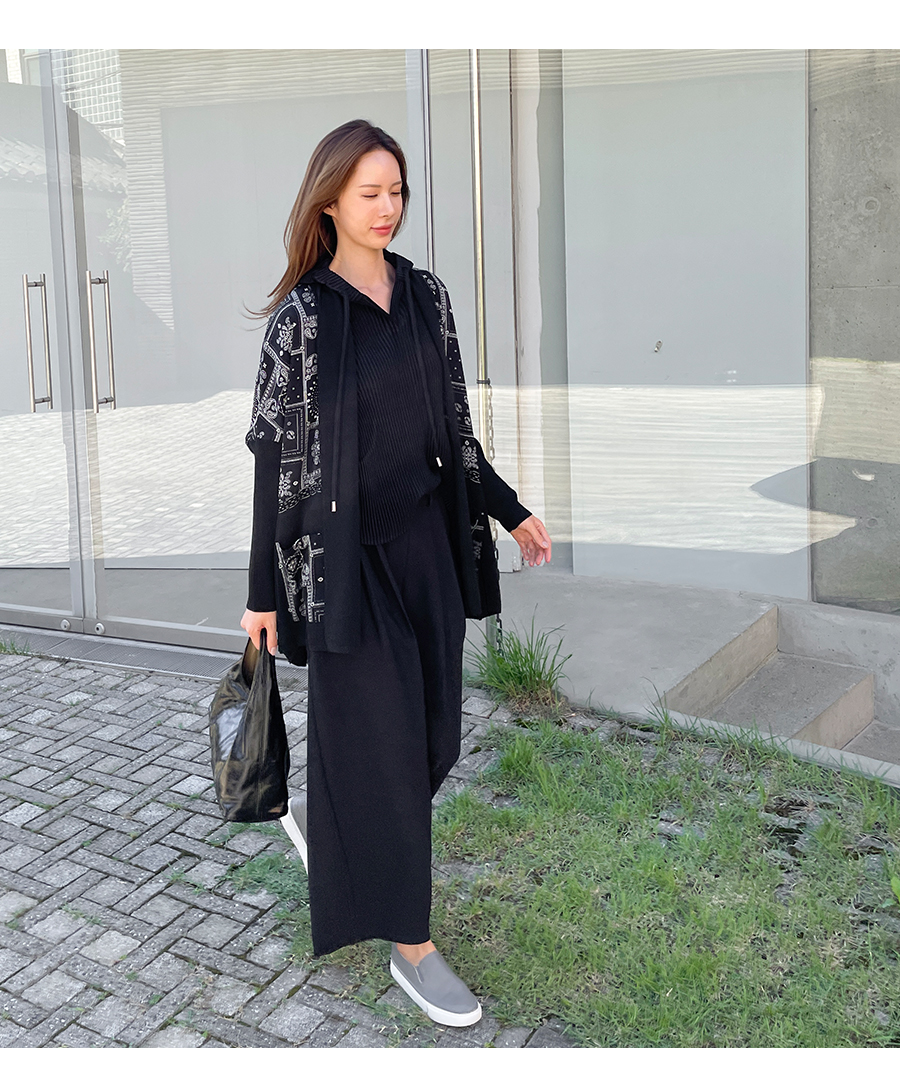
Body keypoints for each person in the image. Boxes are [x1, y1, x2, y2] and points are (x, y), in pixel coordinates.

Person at [240, 119, 551, 1028]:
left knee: (433, 740)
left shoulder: (425, 296)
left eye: (397, 192)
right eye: (369, 193)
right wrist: (262, 592)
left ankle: (338, 821)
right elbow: (273, 460)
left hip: (428, 552)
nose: (387, 208)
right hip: (348, 569)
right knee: (381, 742)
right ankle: (410, 944)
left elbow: (453, 429)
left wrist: (509, 508)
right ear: (329, 201)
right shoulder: (302, 320)